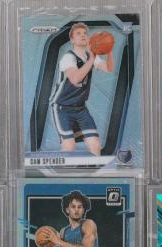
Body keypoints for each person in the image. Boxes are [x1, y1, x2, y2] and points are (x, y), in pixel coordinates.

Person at [50, 23, 114, 156]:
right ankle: (65, 170)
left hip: (80, 108)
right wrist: (91, 60)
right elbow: (75, 79)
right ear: (72, 40)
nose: (83, 35)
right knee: (69, 144)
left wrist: (109, 51)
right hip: (62, 108)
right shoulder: (68, 57)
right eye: (78, 33)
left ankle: (95, 170)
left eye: (85, 33)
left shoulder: (91, 57)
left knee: (95, 144)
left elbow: (109, 68)